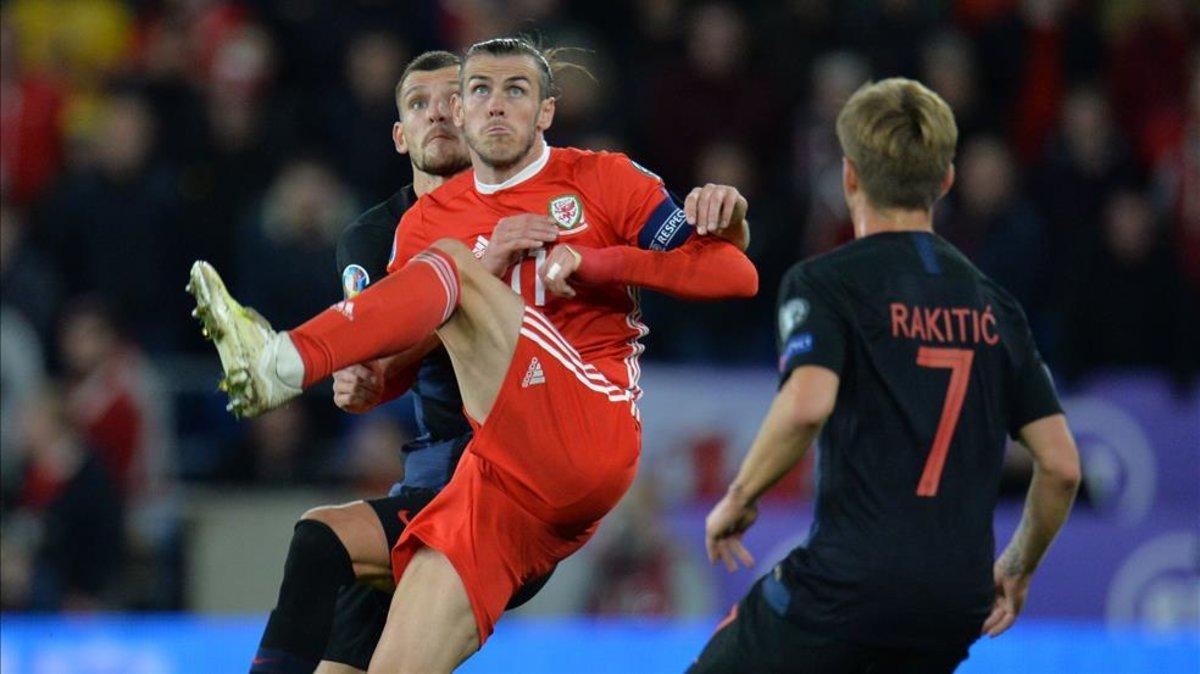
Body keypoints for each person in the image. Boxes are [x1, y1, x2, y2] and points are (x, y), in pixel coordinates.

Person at [192, 37, 758, 673]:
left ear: (545, 111)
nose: (495, 106)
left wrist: (598, 261)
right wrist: (368, 380)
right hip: (492, 479)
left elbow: (735, 275)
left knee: (458, 267)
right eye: (480, 91)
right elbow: (392, 375)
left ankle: (282, 359)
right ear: (461, 111)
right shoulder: (422, 224)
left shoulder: (602, 178)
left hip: (585, 427)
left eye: (516, 90)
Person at [689, 78, 1081, 674]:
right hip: (955, 605)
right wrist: (1018, 567)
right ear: (946, 180)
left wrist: (740, 498)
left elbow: (807, 404)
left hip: (845, 589)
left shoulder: (826, 283)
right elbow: (1061, 466)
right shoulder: (996, 306)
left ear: (849, 175)